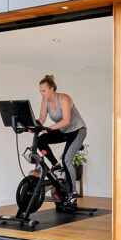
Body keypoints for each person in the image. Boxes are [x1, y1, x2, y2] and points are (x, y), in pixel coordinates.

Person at [36, 74, 86, 204]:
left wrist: (48, 129)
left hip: (77, 131)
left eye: (43, 90)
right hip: (64, 131)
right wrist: (32, 126)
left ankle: (73, 192)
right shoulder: (45, 101)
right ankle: (55, 165)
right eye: (40, 91)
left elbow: (65, 121)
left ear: (51, 89)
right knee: (41, 141)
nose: (42, 93)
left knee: (67, 159)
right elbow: (41, 119)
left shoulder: (64, 98)